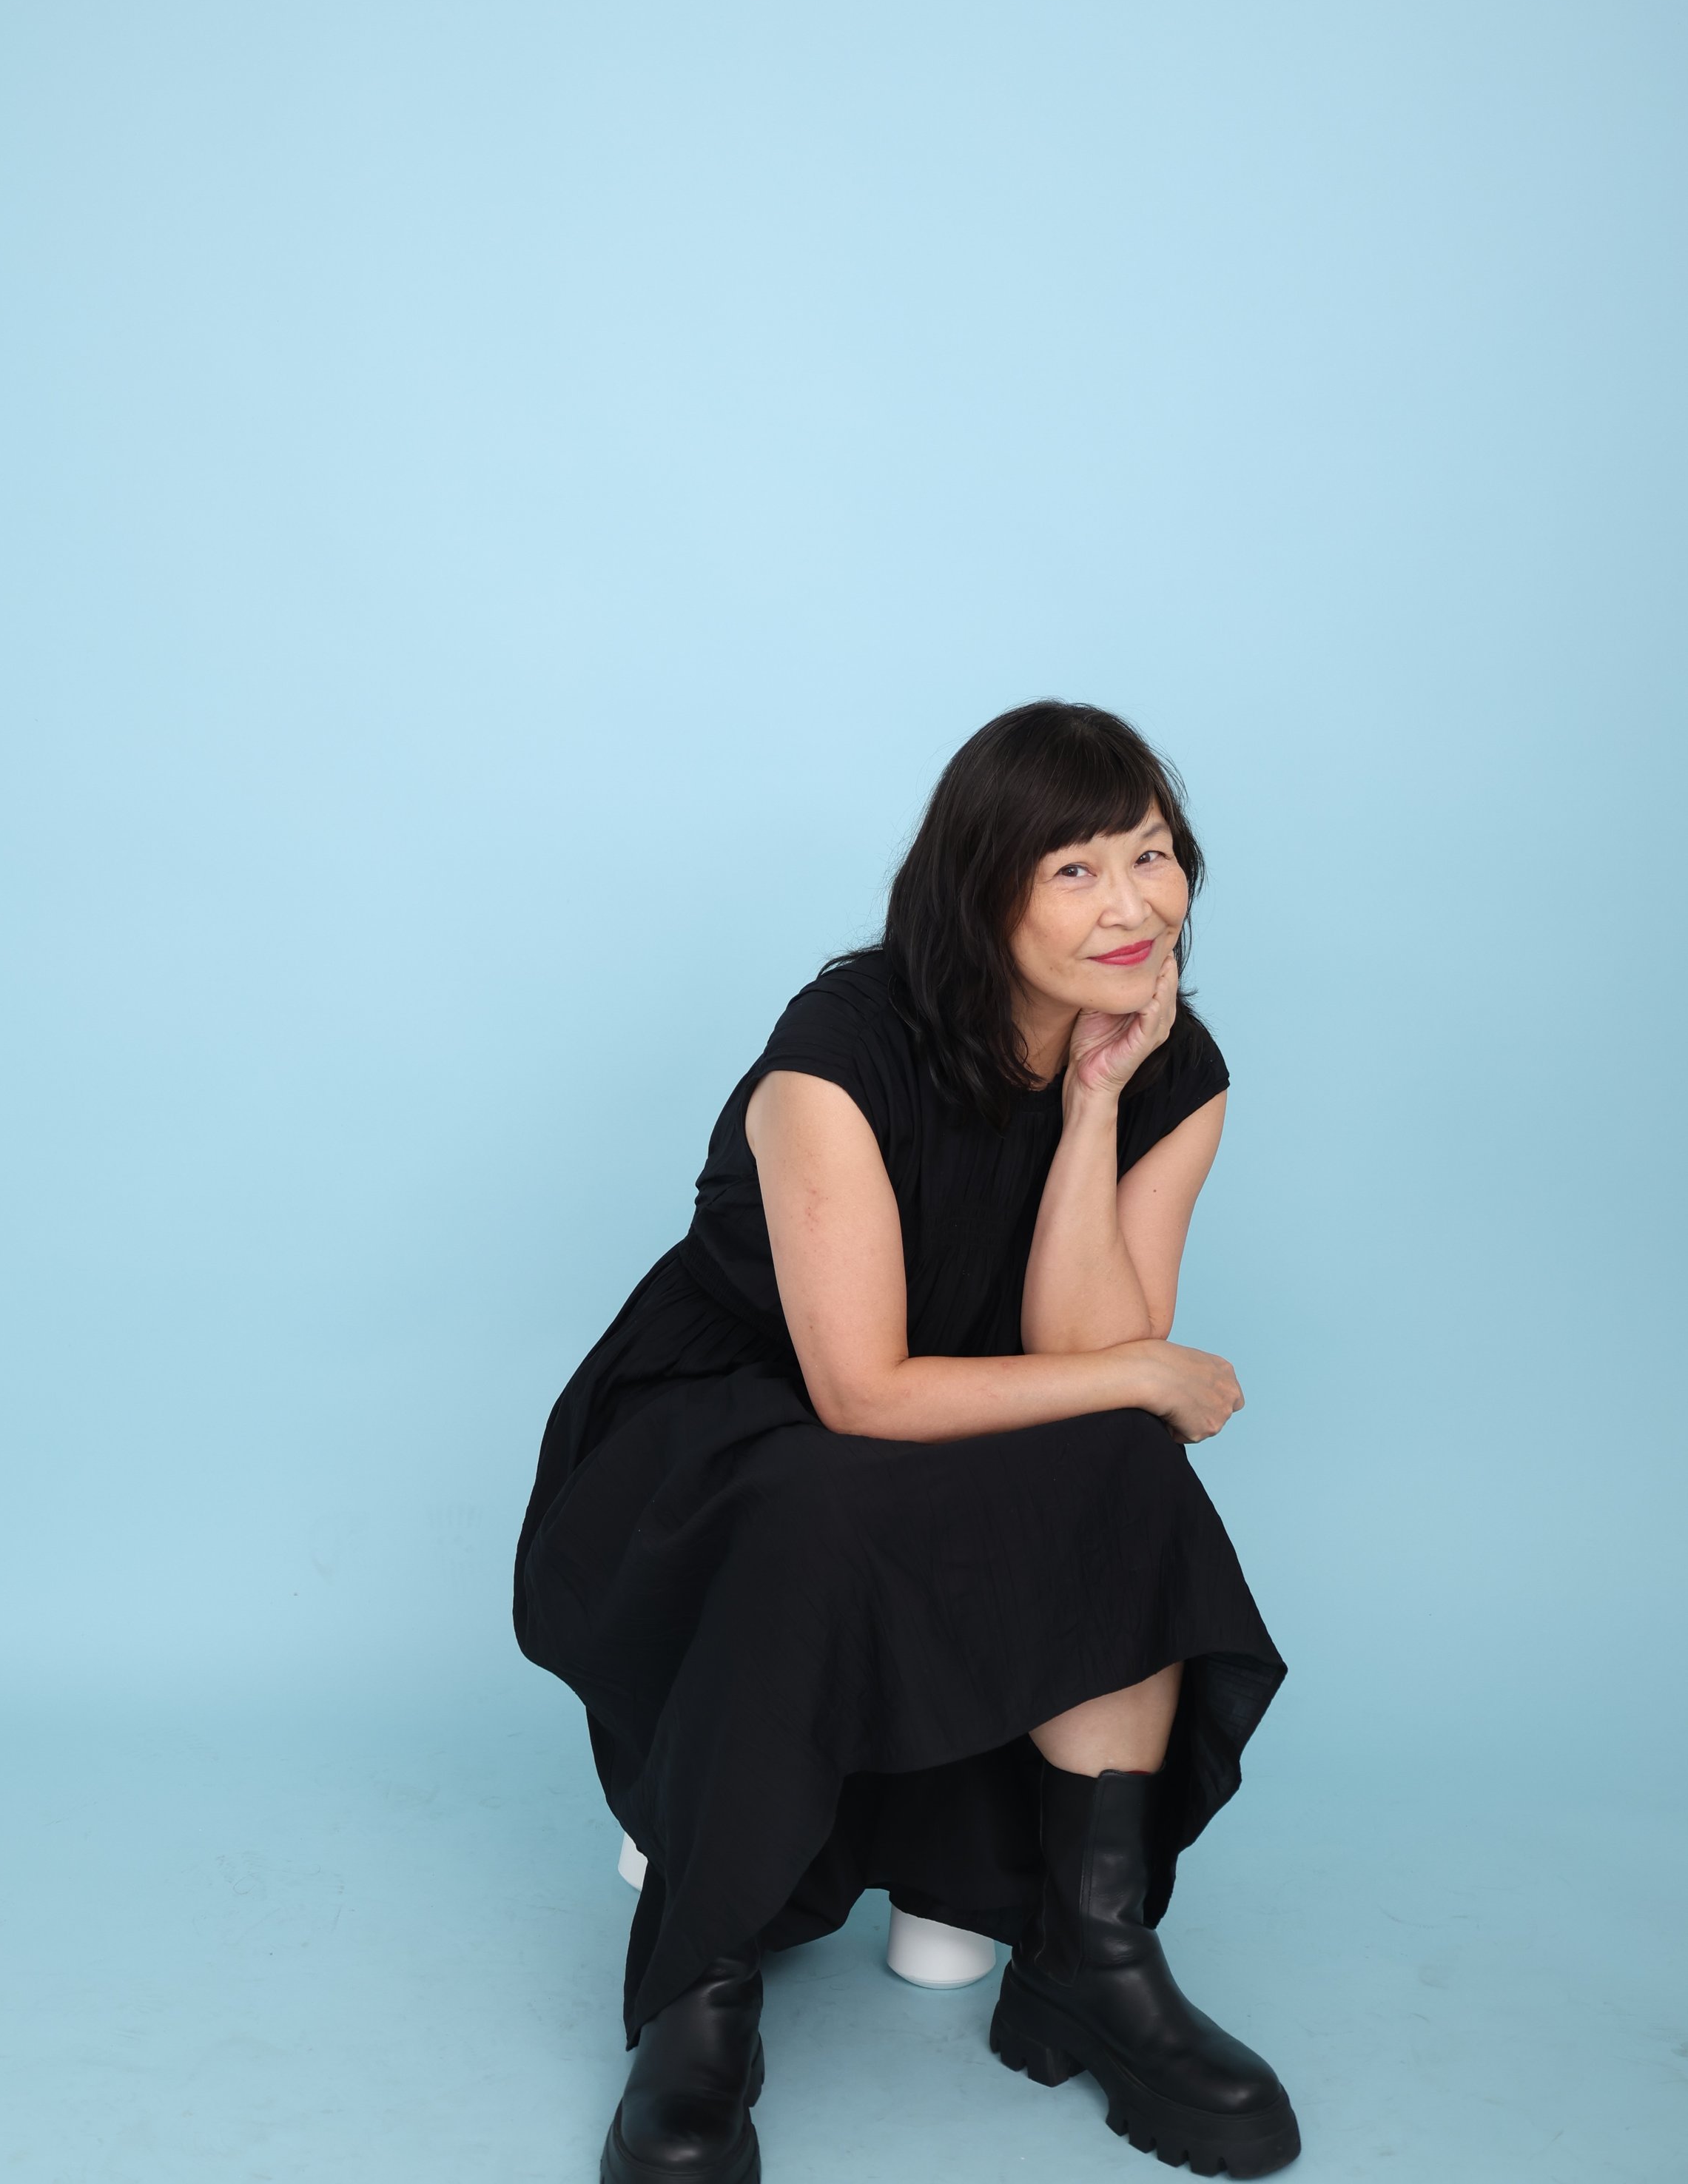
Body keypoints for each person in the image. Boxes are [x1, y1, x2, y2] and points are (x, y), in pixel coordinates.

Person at [514, 702, 1299, 2181]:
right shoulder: (838, 1050)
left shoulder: (1167, 1067)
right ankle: (699, 1990)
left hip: (950, 1421)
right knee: (818, 1497)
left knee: (1126, 1465)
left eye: (1151, 855)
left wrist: (1092, 1108)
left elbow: (1081, 1363)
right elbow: (863, 1392)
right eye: (1074, 869)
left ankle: (1093, 1954)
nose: (1131, 904)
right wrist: (1144, 1370)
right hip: (726, 1426)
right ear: (980, 890)